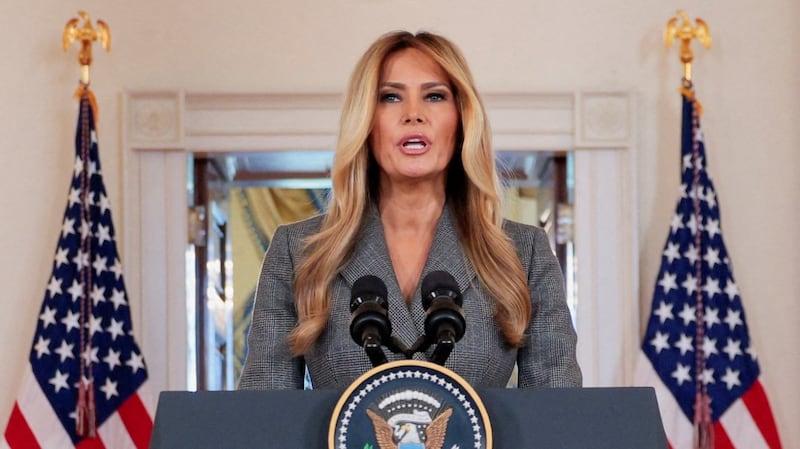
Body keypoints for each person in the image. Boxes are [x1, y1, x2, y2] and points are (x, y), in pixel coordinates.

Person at [238, 30, 582, 390]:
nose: (413, 114)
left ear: (462, 119)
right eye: (390, 97)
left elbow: (558, 410)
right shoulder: (297, 251)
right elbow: (265, 411)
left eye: (434, 96)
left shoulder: (523, 253)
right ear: (366, 121)